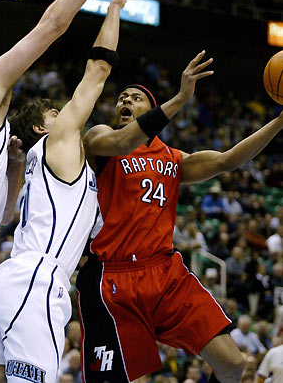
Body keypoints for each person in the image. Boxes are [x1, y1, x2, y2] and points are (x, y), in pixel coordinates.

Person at [0, 0, 133, 383]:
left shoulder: (20, 156)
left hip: (1, 262)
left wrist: (12, 167)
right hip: (28, 274)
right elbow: (69, 45)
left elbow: (4, 211)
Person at [76, 72, 283, 383]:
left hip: (164, 273)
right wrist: (181, 98)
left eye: (135, 97)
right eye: (122, 98)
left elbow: (227, 161)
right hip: (113, 278)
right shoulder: (102, 139)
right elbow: (120, 141)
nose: (125, 101)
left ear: (151, 108)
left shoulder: (172, 159)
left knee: (233, 364)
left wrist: (280, 121)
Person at [0, 0, 128, 383]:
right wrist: (115, 5)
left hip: (20, 276)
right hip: (36, 278)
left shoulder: (49, 165)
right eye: (57, 113)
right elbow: (98, 72)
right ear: (41, 128)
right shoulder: (59, 144)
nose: (68, 117)